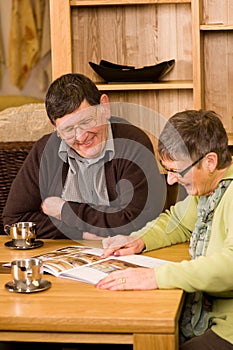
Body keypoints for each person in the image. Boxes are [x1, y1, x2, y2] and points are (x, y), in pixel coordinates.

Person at [96, 109, 233, 350]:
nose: (170, 180)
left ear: (210, 162)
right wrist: (139, 240)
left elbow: (229, 265)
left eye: (176, 171)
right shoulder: (209, 190)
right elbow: (177, 222)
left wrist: (156, 277)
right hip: (208, 315)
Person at [3, 73, 166, 240]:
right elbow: (14, 220)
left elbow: (135, 221)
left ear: (104, 107)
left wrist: (64, 211)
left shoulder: (133, 143)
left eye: (86, 121)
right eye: (68, 129)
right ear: (55, 127)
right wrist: (81, 233)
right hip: (62, 258)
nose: (81, 137)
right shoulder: (46, 149)